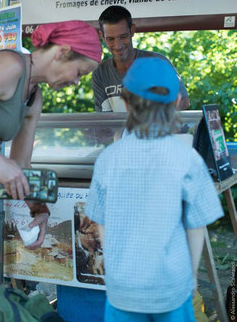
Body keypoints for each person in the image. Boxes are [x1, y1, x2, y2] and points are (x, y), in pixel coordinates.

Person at [0, 20, 101, 322]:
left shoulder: (34, 95)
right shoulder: (9, 65)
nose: (77, 82)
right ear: (63, 52)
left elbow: (21, 164)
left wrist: (37, 209)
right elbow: (4, 164)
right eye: (80, 72)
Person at [85, 57, 223, 322]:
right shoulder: (188, 159)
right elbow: (196, 227)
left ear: (125, 103)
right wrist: (191, 274)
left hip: (123, 288)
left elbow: (102, 224)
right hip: (171, 287)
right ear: (174, 103)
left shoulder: (108, 159)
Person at [92, 5, 190, 112]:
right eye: (110, 39)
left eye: (123, 37)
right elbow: (104, 118)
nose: (118, 45)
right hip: (119, 129)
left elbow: (183, 101)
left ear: (132, 30)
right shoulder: (100, 73)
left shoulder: (157, 62)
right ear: (102, 36)